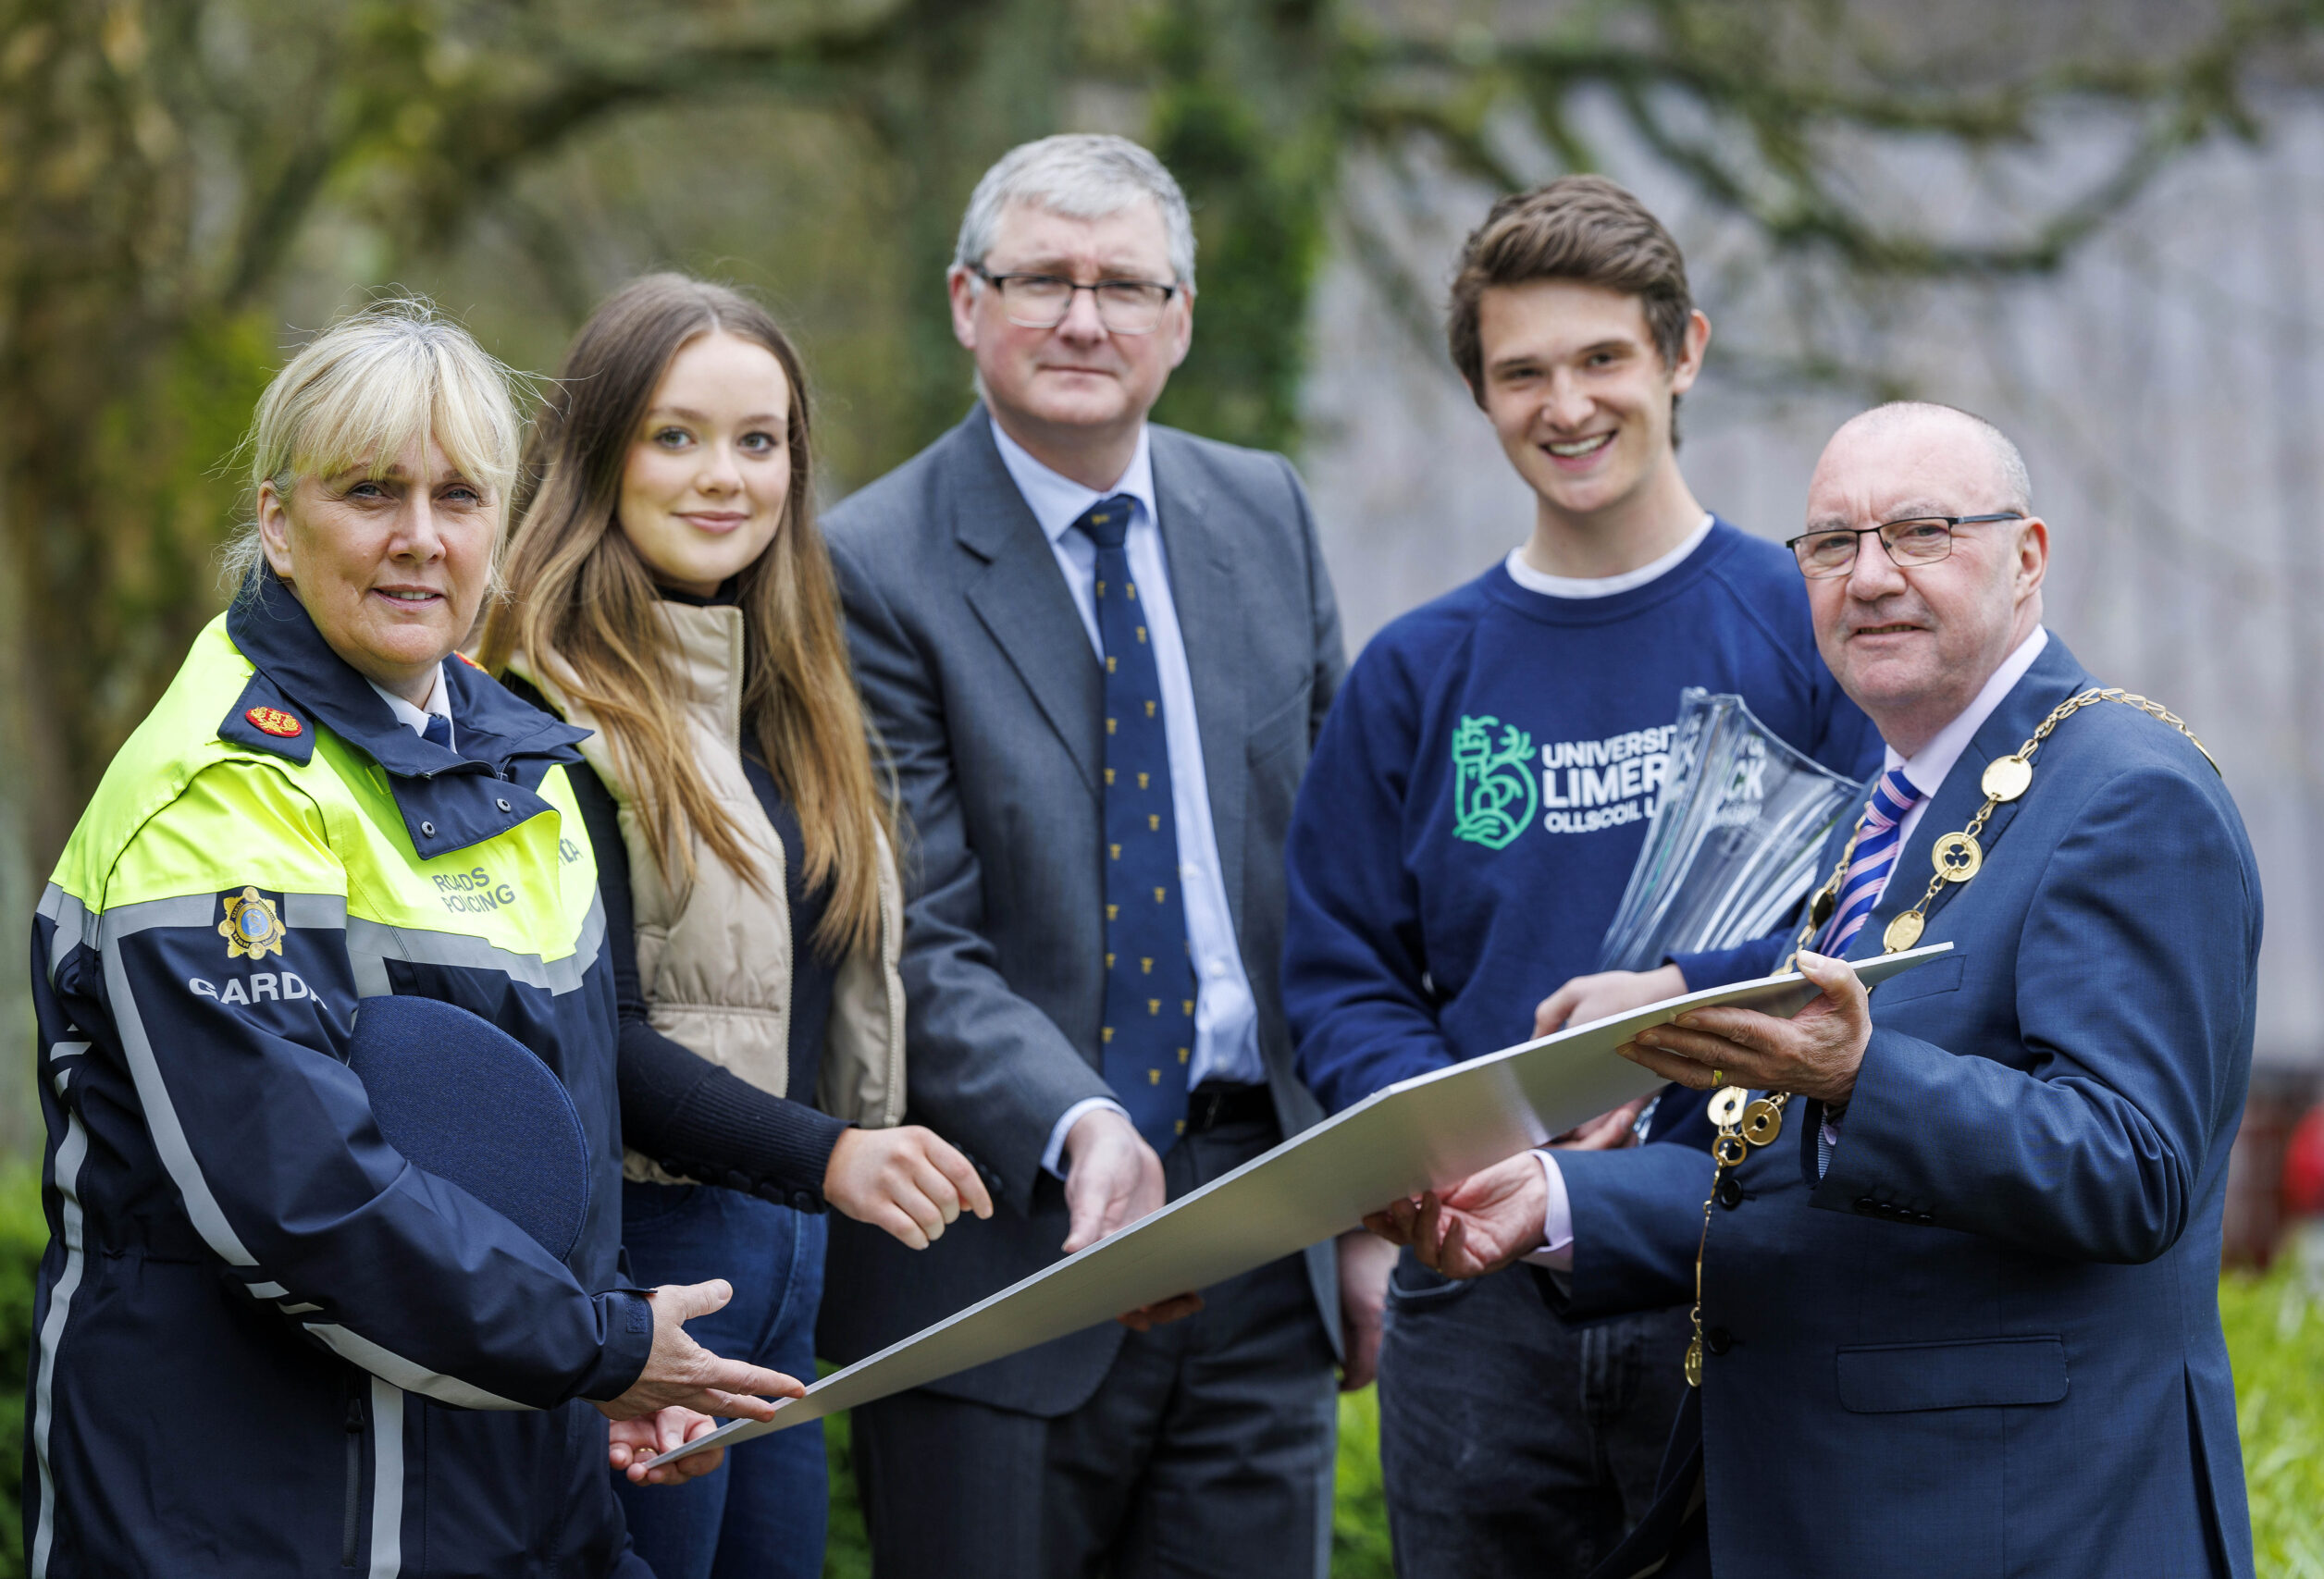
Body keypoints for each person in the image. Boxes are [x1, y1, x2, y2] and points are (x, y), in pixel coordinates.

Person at [1368, 402, 2259, 1579]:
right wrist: (1551, 1198)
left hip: (2026, 1522)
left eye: (1922, 532)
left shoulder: (2126, 790)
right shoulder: (1890, 809)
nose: (1871, 576)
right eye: (1832, 544)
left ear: (2028, 556)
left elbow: (2133, 1169)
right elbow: (1788, 1183)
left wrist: (1858, 1074)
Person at [24, 300, 805, 1577]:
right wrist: (598, 1346)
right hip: (248, 1517)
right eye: (370, 492)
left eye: (460, 496)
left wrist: (617, 1366)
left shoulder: (530, 761)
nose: (421, 539)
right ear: (278, 521)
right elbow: (300, 1194)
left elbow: (543, 1161)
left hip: (522, 1503)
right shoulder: (214, 790)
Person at [1281, 175, 1880, 1576]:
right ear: (1481, 394)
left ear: (1684, 353)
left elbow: (1898, 915)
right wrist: (1467, 1130)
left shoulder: (1807, 628)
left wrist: (1673, 1004)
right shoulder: (1421, 670)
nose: (1567, 404)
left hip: (1751, 1267)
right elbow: (1342, 970)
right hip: (1481, 1301)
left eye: (1604, 357)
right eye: (1522, 372)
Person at [819, 133, 1346, 1578]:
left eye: (1124, 283)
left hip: (1261, 1224)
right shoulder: (868, 565)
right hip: (1006, 1246)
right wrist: (1083, 1119)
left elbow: (1344, 882)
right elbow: (910, 930)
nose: (1082, 316)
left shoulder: (1268, 513)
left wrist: (1365, 1194)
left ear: (1179, 318)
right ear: (964, 302)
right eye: (1042, 277)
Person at [483, 275, 991, 1578]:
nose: (725, 476)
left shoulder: (787, 699)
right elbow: (589, 1035)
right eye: (676, 435)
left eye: (758, 441)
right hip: (641, 1275)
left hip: (786, 1268)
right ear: (596, 456)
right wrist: (833, 1155)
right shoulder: (533, 712)